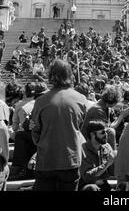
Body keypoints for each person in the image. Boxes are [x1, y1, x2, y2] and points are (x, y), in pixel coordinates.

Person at [31, 59, 88, 191]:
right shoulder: (81, 99)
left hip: (46, 159)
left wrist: (40, 141)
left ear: (51, 75)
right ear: (70, 75)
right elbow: (81, 128)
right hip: (71, 160)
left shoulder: (40, 101)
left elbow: (34, 130)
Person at [79, 120, 116, 191]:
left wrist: (117, 161)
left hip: (104, 183)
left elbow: (113, 173)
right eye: (102, 132)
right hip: (86, 185)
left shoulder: (106, 147)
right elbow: (88, 177)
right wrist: (107, 164)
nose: (106, 135)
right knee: (92, 188)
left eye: (106, 132)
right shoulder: (82, 150)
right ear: (92, 134)